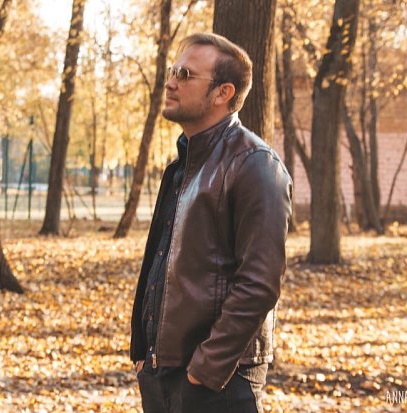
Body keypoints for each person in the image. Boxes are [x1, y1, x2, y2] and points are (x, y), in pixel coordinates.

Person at [129, 32, 293, 413]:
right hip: (162, 375)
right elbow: (162, 265)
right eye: (173, 71)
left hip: (219, 384)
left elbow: (259, 284)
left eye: (185, 74)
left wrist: (204, 371)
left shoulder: (255, 165)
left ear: (223, 93)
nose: (171, 82)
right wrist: (144, 355)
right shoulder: (182, 166)